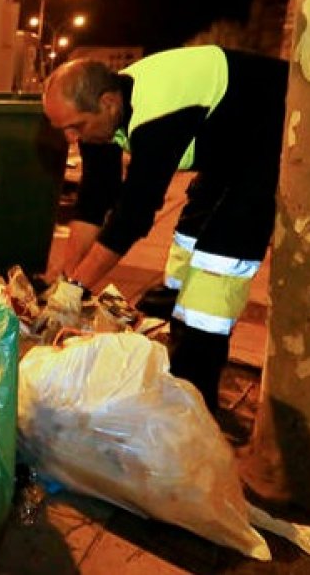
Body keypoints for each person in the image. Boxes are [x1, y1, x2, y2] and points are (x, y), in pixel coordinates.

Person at [39, 45, 288, 412]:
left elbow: (134, 215)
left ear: (107, 103)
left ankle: (193, 406)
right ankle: (163, 354)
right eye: (64, 130)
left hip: (268, 139)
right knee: (187, 243)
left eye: (75, 126)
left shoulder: (156, 114)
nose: (71, 139)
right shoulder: (104, 118)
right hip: (225, 148)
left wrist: (78, 287)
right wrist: (66, 283)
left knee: (215, 272)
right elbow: (95, 198)